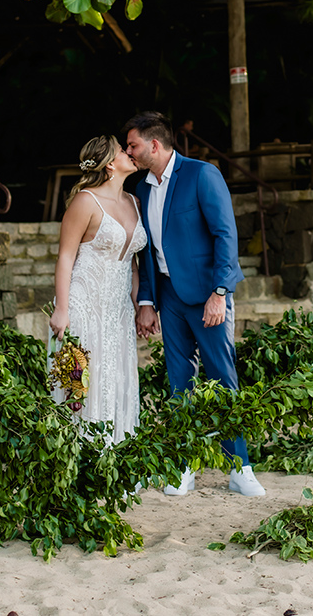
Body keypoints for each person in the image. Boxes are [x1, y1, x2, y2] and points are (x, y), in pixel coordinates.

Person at [125, 111, 266, 497]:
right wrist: (148, 301)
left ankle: (240, 468)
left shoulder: (202, 174)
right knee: (179, 382)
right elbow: (148, 254)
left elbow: (225, 234)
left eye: (133, 145)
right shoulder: (140, 189)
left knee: (222, 378)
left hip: (207, 294)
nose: (128, 151)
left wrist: (220, 292)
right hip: (167, 295)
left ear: (155, 144)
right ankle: (183, 465)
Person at [50, 136, 147, 445]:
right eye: (123, 150)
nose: (130, 154)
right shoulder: (85, 201)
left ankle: (113, 452)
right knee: (81, 381)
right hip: (83, 304)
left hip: (118, 308)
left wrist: (141, 305)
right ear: (109, 164)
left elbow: (132, 265)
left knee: (116, 376)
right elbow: (66, 256)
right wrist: (62, 309)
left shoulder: (134, 202)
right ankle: (77, 452)